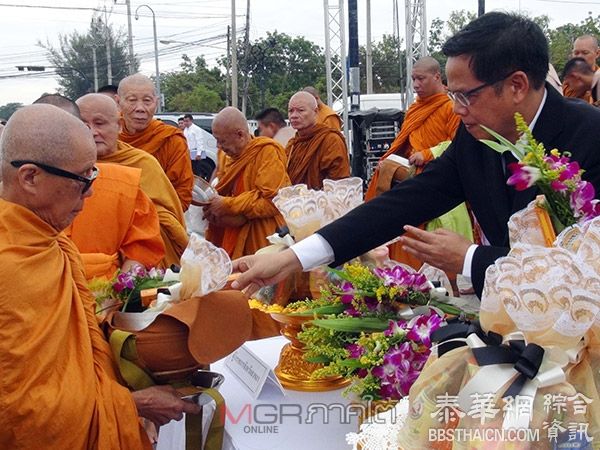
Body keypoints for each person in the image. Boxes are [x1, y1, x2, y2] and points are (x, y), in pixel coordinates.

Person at [231, 12, 600, 299]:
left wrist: (471, 260)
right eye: (452, 95)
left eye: (466, 96)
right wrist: (293, 257)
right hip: (507, 324)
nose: (456, 110)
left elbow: (586, 267)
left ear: (517, 85)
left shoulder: (590, 136)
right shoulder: (476, 137)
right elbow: (406, 202)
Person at [0, 104, 199, 449]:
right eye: (83, 180)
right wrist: (132, 404)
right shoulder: (11, 266)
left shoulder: (50, 240)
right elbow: (20, 413)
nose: (91, 193)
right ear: (30, 177)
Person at [365, 56, 462, 268]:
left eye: (421, 79)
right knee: (397, 226)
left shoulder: (450, 107)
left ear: (437, 77)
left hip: (439, 180)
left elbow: (458, 146)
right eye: (413, 79)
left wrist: (428, 153)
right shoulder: (415, 108)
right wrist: (391, 161)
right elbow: (406, 143)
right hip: (411, 177)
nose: (416, 85)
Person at [77, 94, 189, 267]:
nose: (92, 132)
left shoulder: (143, 164)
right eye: (83, 125)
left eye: (99, 123)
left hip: (137, 265)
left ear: (119, 126)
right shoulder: (65, 169)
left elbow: (166, 218)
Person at [203, 106, 290, 259]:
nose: (219, 146)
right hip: (231, 232)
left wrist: (228, 204)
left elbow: (274, 202)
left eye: (222, 141)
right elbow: (222, 192)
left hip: (262, 236)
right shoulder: (226, 155)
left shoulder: (267, 152)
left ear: (240, 135)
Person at [118, 74, 194, 211]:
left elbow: (182, 194)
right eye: (132, 100)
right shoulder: (107, 135)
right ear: (118, 102)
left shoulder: (171, 139)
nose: (140, 108)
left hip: (155, 224)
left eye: (147, 101)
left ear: (156, 103)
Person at [285, 91, 350, 189]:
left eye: (301, 110)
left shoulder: (330, 140)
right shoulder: (292, 145)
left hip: (323, 201)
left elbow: (338, 183)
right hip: (295, 202)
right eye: (291, 111)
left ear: (315, 112)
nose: (294, 115)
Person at [563, 35, 600, 102]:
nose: (579, 57)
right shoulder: (569, 82)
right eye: (576, 53)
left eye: (585, 53)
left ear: (597, 53)